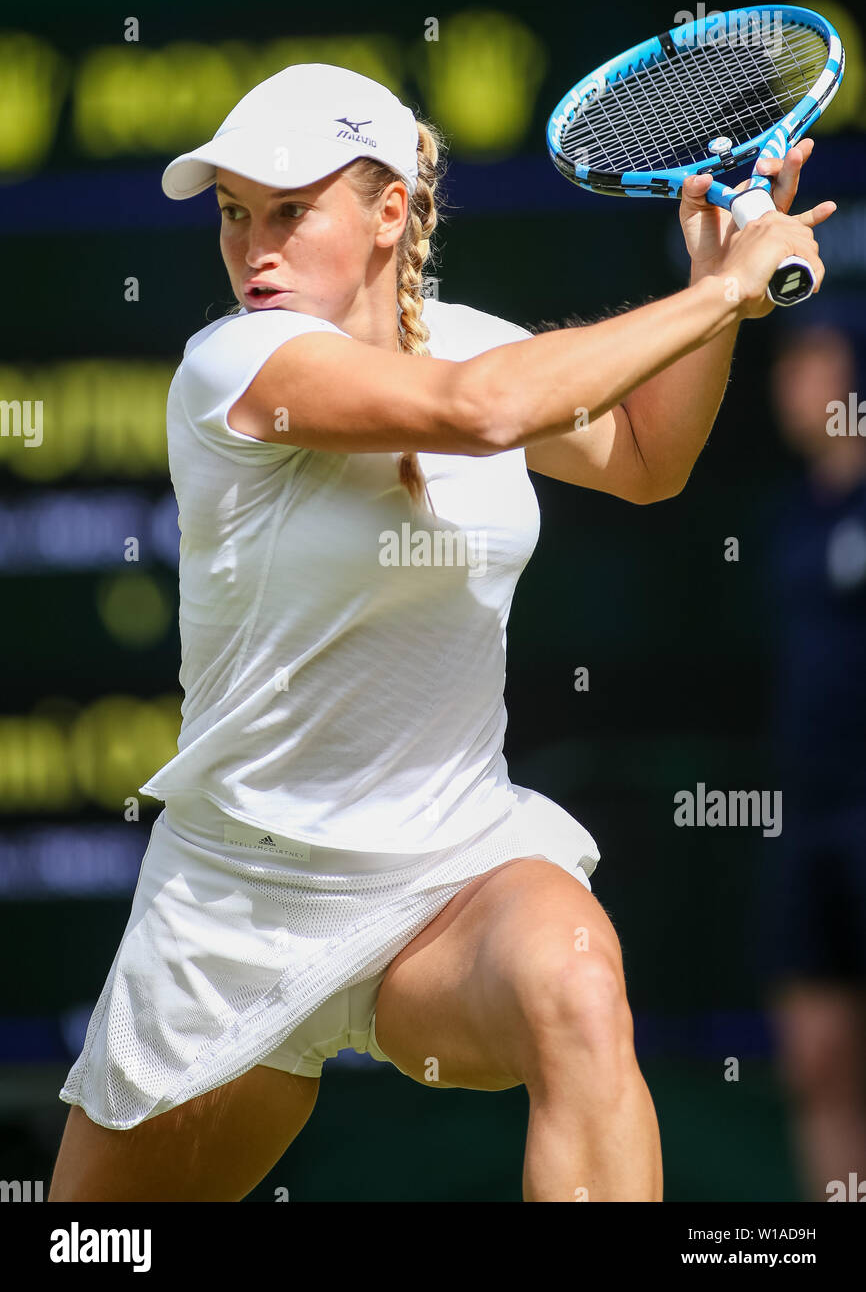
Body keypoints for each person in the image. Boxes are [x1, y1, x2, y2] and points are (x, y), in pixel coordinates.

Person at [48, 62, 832, 1202]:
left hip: (447, 878)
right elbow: (483, 411)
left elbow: (648, 460)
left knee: (574, 982)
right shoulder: (231, 363)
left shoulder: (467, 336)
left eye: (287, 211)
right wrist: (717, 300)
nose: (252, 249)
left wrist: (712, 279)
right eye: (232, 215)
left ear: (388, 212)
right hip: (238, 903)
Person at [757, 314, 866, 1201]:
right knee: (817, 1056)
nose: (794, 385)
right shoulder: (791, 513)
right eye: (787, 366)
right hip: (810, 818)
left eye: (815, 364)